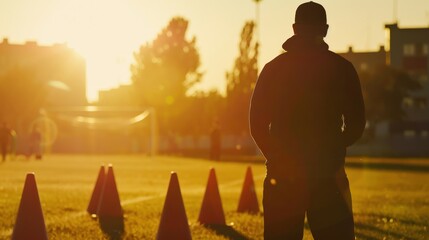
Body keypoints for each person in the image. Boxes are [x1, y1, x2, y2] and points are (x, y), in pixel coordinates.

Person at [249, 2, 365, 239]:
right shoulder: (342, 68)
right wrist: (333, 149)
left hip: (282, 177)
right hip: (327, 175)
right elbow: (356, 123)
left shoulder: (273, 69)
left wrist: (278, 156)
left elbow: (256, 125)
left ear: (294, 28)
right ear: (325, 29)